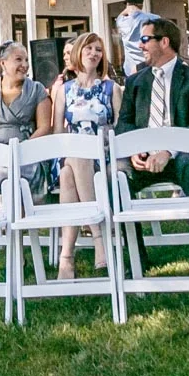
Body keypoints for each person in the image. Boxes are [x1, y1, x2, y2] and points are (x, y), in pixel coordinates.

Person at [0, 41, 54, 277]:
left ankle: (17, 246)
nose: (24, 65)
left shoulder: (36, 90)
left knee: (17, 180)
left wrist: (24, 148)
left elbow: (45, 127)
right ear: (2, 63)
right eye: (18, 60)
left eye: (26, 60)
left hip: (27, 150)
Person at [117, 17, 189, 195]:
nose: (140, 45)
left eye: (145, 39)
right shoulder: (135, 82)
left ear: (164, 42)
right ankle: (120, 216)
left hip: (183, 155)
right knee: (116, 171)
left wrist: (168, 151)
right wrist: (134, 149)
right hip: (143, 157)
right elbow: (124, 123)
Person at [51, 32, 116, 277]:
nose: (93, 53)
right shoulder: (64, 90)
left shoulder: (111, 89)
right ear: (78, 52)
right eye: (88, 48)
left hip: (103, 155)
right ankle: (99, 236)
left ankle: (66, 256)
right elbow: (58, 133)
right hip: (70, 153)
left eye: (98, 49)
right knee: (73, 160)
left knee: (69, 174)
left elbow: (119, 129)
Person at [114, 0, 158, 77]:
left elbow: (120, 16)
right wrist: (138, 11)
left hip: (130, 70)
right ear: (141, 5)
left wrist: (128, 9)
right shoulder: (152, 18)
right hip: (148, 66)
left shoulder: (121, 21)